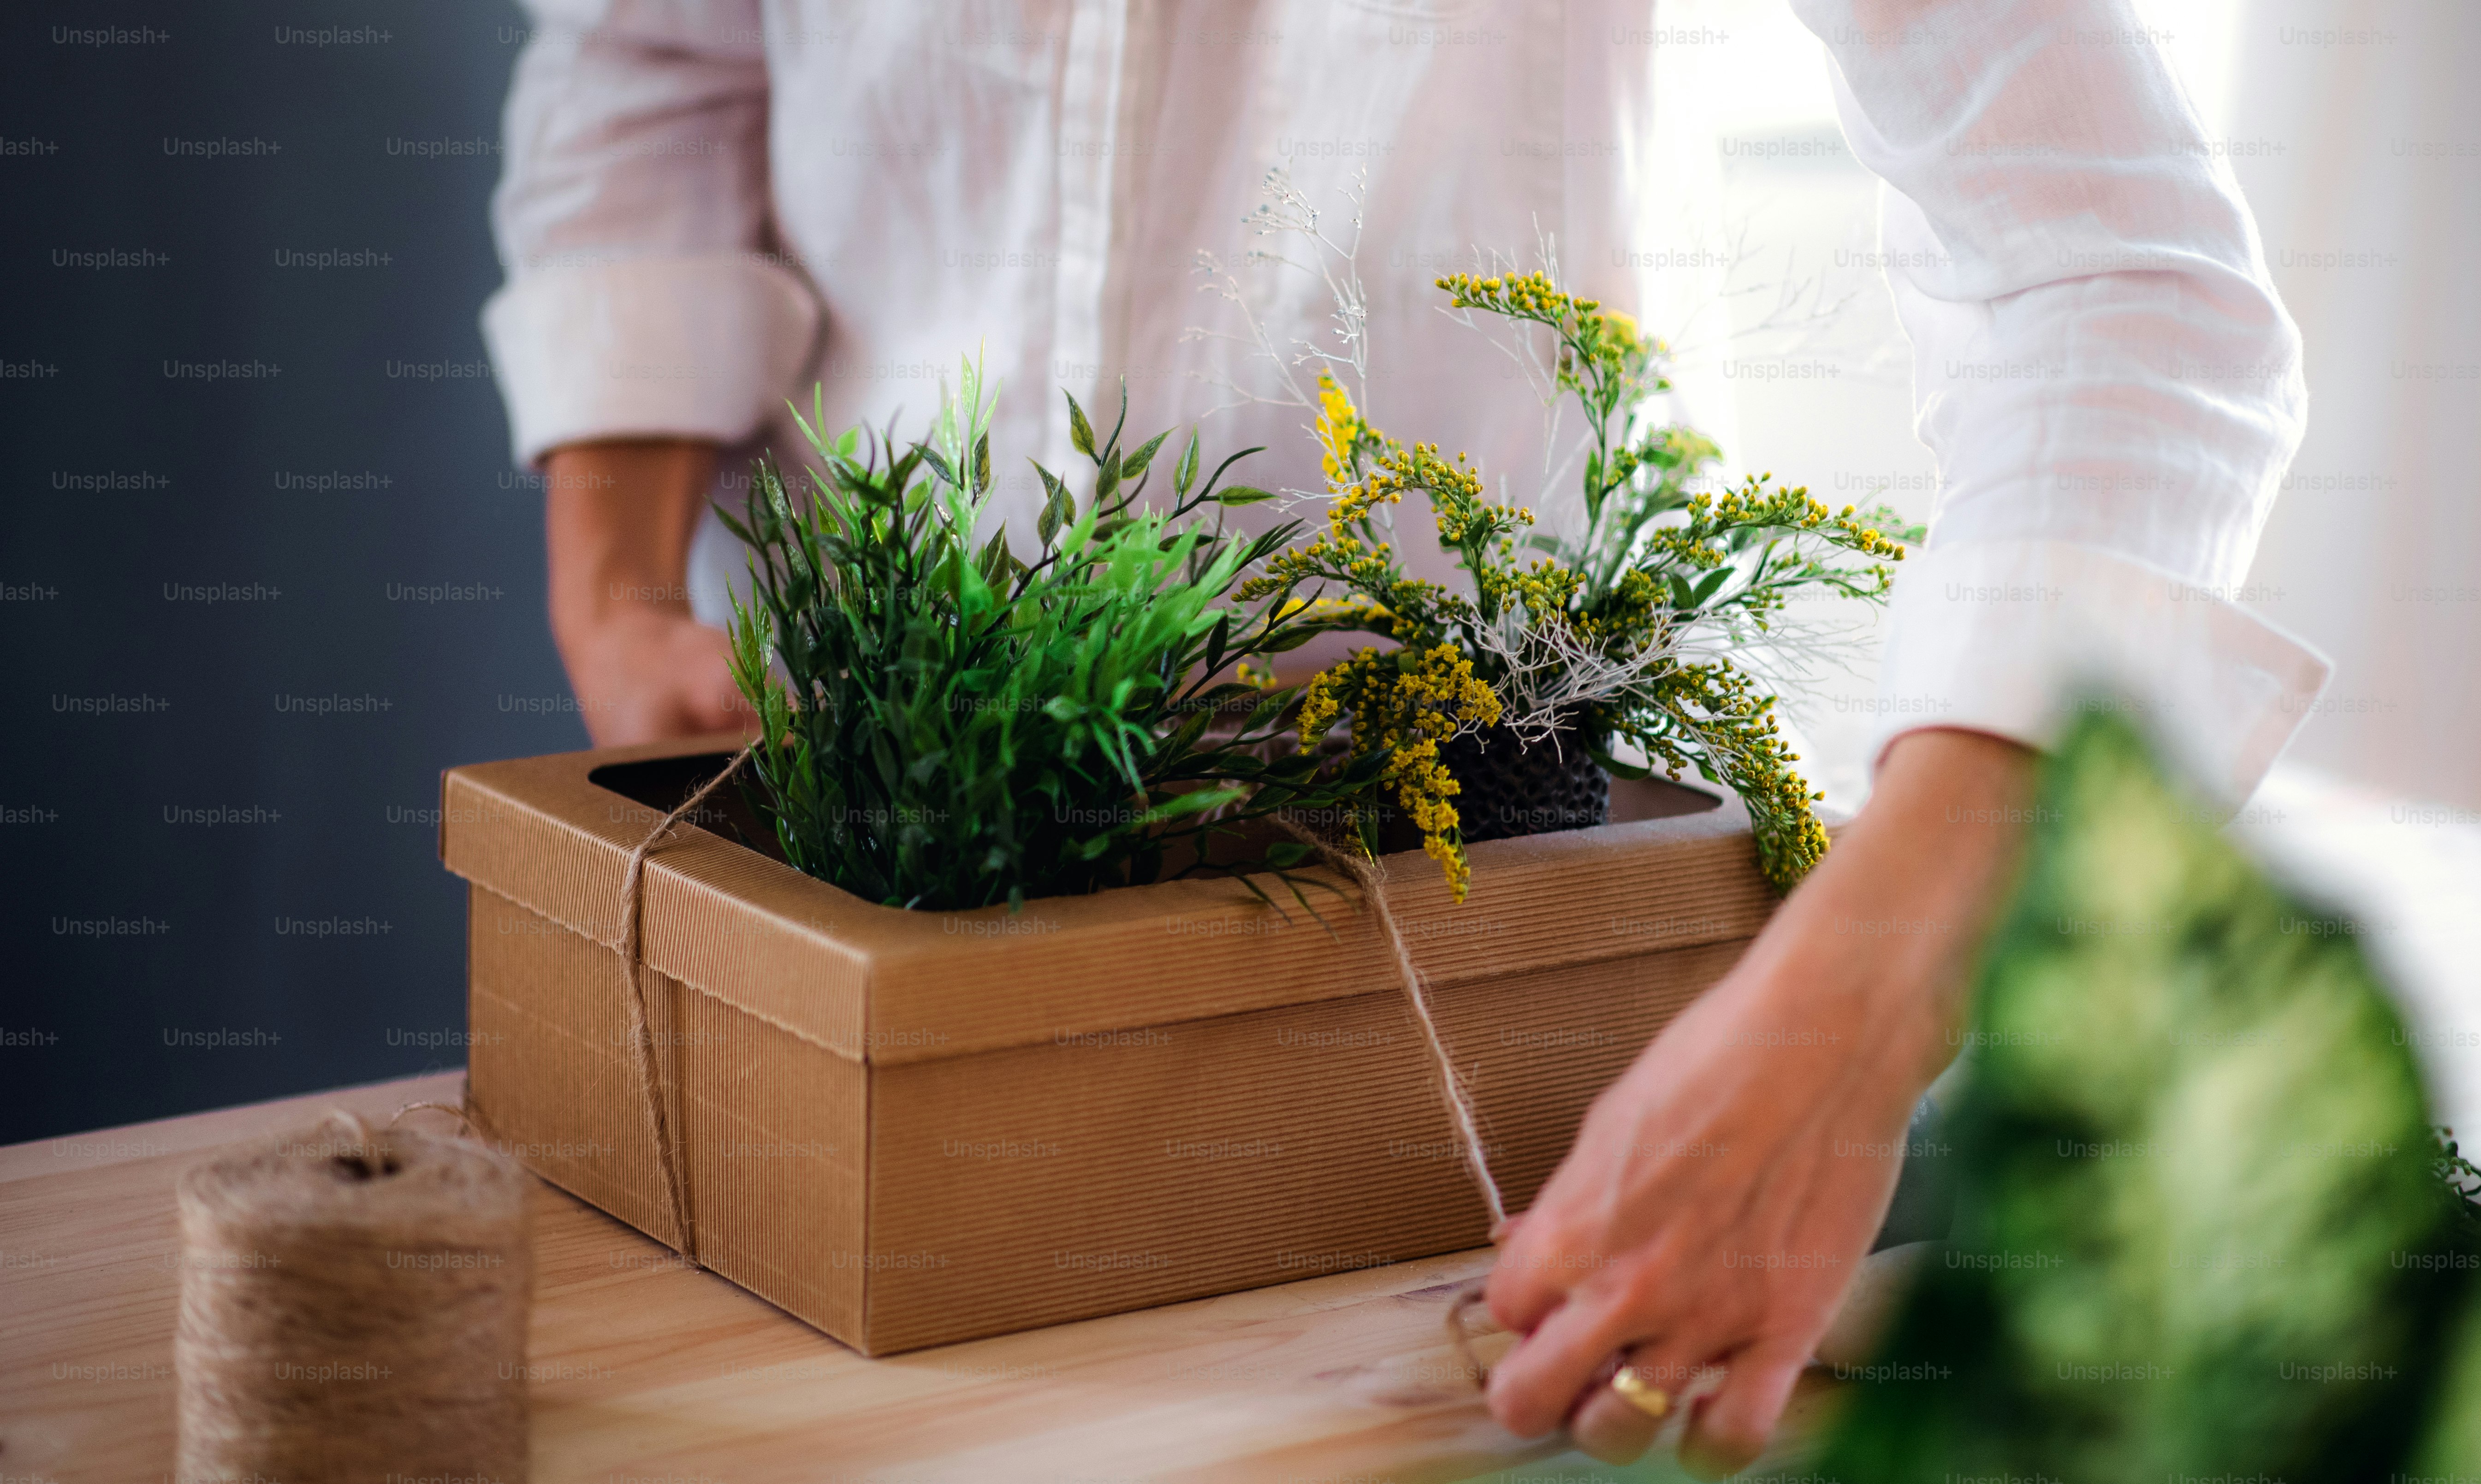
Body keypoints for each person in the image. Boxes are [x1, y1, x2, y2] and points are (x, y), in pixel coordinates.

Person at [482, 1, 2328, 1472]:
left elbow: (2122, 287)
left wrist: (1850, 1018)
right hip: (832, 865)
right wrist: (617, 598)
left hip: (1449, 931)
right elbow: (656, 54)